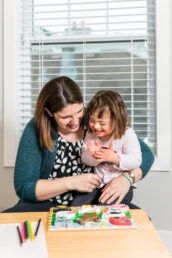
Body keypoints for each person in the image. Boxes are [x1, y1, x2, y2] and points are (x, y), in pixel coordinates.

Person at [2, 76, 154, 212]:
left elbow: (146, 155)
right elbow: (24, 187)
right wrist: (71, 182)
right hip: (47, 204)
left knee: (141, 225)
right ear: (49, 112)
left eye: (80, 111)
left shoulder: (95, 119)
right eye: (66, 117)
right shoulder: (36, 128)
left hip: (93, 202)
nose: (75, 122)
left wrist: (127, 178)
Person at [71, 90, 142, 206]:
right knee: (76, 205)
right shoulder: (91, 133)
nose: (96, 126)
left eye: (102, 123)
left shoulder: (127, 134)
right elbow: (85, 158)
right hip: (97, 183)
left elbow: (135, 161)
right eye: (92, 120)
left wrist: (115, 158)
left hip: (118, 184)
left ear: (117, 119)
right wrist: (92, 156)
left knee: (104, 207)